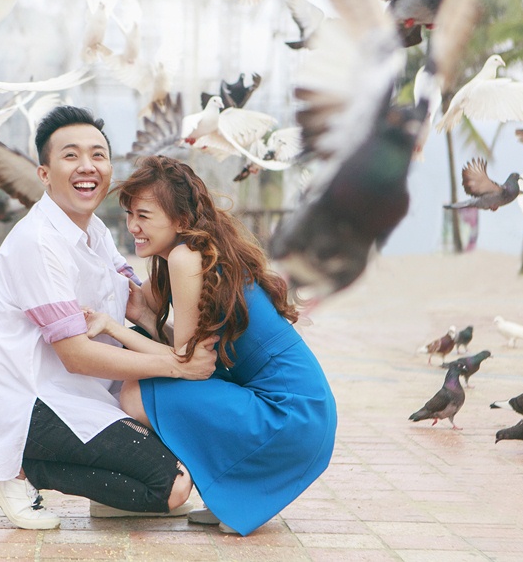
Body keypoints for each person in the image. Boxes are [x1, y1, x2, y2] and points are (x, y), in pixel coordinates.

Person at [0, 107, 219, 530]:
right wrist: (181, 366)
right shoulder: (38, 242)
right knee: (173, 487)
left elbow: (138, 304)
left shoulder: (96, 233)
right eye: (71, 155)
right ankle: (20, 466)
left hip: (91, 392)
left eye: (98, 155)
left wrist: (180, 246)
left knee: (183, 438)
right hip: (36, 403)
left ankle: (109, 497)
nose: (87, 166)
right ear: (44, 174)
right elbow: (76, 356)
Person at [84, 155, 337, 536]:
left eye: (144, 216)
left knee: (136, 391)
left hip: (290, 417)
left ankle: (185, 487)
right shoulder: (194, 253)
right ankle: (231, 497)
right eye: (129, 214)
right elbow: (191, 359)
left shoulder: (184, 257)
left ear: (181, 220)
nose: (133, 226)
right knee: (146, 376)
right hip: (309, 414)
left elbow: (185, 363)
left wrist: (113, 329)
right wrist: (146, 319)